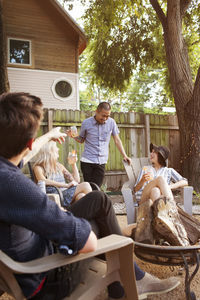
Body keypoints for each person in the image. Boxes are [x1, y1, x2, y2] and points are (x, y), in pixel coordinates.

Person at [0, 92, 180, 300]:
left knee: (98, 198)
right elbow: (89, 244)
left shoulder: (6, 172)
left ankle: (120, 287)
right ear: (28, 144)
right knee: (101, 222)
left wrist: (48, 136)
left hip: (20, 260)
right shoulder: (20, 189)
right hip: (47, 276)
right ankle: (133, 279)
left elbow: (26, 153)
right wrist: (63, 216)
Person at [67, 102, 131, 187]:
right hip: (87, 160)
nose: (105, 118)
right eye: (103, 115)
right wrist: (73, 136)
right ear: (96, 111)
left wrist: (125, 155)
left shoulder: (111, 123)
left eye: (107, 116)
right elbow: (81, 139)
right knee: (89, 189)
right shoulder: (86, 123)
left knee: (96, 188)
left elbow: (117, 140)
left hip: (101, 161)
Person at [33, 141, 92, 207]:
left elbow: (76, 181)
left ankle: (81, 215)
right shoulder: (39, 167)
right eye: (55, 148)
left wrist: (73, 164)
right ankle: (97, 211)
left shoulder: (59, 166)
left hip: (65, 194)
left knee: (81, 196)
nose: (58, 149)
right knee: (86, 185)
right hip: (56, 196)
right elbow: (43, 180)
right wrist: (65, 185)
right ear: (49, 151)